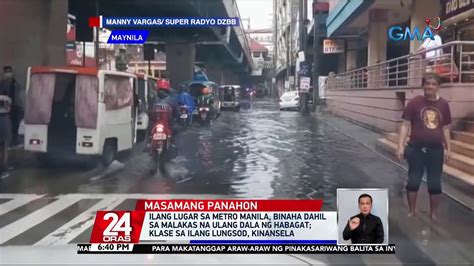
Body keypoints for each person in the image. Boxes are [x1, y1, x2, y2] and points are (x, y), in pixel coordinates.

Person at [396, 73, 451, 221]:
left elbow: (445, 128)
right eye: (427, 84)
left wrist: (448, 148)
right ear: (423, 85)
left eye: (433, 84)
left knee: (434, 183)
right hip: (416, 149)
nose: (430, 87)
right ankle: (412, 210)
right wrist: (400, 145)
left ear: (438, 87)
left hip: (436, 150)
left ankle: (434, 213)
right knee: (413, 180)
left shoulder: (444, 104)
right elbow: (405, 125)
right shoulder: (414, 102)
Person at [1, 66, 24, 147]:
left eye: (9, 71)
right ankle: (8, 143)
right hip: (6, 108)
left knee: (15, 125)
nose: (8, 73)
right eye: (6, 72)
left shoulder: (15, 82)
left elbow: (19, 92)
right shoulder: (2, 83)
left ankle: (14, 142)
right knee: (8, 126)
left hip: (16, 107)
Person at [0, 88, 12, 178]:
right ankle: (4, 169)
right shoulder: (7, 99)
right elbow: (9, 108)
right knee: (4, 147)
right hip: (4, 121)